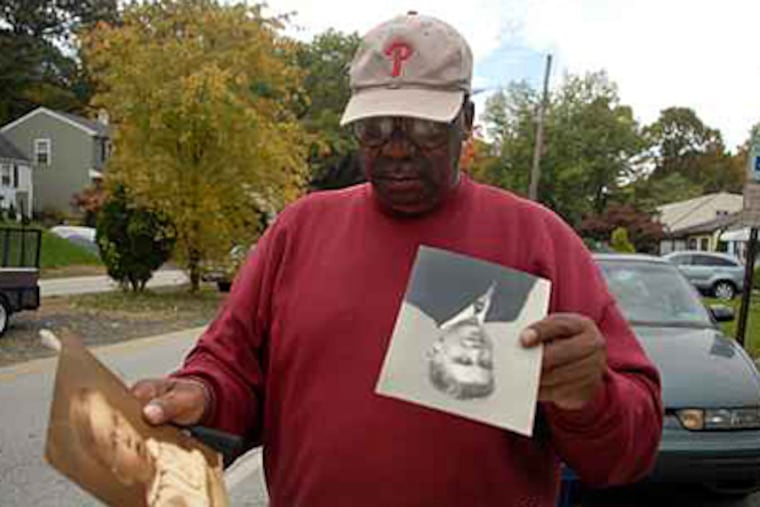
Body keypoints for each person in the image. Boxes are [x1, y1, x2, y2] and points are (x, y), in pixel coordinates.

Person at [132, 12, 663, 506]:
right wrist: (201, 395)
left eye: (424, 126)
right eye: (375, 127)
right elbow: (231, 370)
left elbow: (626, 455)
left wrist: (590, 397)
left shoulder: (538, 239)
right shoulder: (299, 230)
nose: (396, 147)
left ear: (467, 119)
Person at [69, 388, 224, 507]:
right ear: (120, 473)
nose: (125, 437)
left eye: (117, 421)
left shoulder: (164, 447)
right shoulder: (164, 500)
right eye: (114, 443)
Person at [427, 284, 495, 399]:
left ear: (436, 350)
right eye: (485, 362)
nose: (476, 351)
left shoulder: (423, 293)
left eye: (463, 360)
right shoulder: (511, 311)